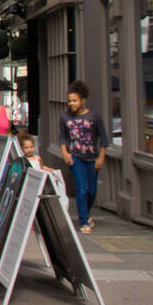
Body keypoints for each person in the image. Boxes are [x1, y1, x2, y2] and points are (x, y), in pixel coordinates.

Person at [59, 80, 109, 233]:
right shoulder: (65, 117)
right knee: (82, 189)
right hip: (75, 158)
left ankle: (86, 213)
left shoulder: (94, 117)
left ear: (82, 100)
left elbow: (103, 138)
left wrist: (101, 158)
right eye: (69, 101)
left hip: (92, 157)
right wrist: (65, 153)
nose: (71, 103)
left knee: (92, 190)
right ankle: (83, 222)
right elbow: (63, 137)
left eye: (74, 100)